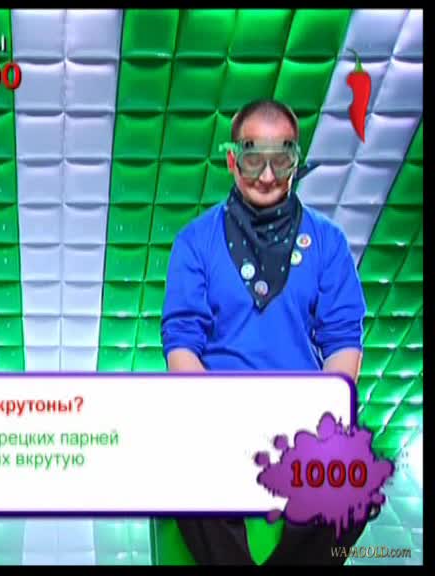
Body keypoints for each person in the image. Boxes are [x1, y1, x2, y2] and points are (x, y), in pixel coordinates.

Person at [161, 99, 370, 565]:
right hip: (220, 411)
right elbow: (182, 341)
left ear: (297, 160)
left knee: (356, 480)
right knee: (178, 467)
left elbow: (342, 341)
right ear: (232, 159)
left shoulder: (328, 241)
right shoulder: (195, 241)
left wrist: (323, 417)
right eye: (255, 159)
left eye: (282, 160)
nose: (268, 176)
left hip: (302, 416)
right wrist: (210, 415)